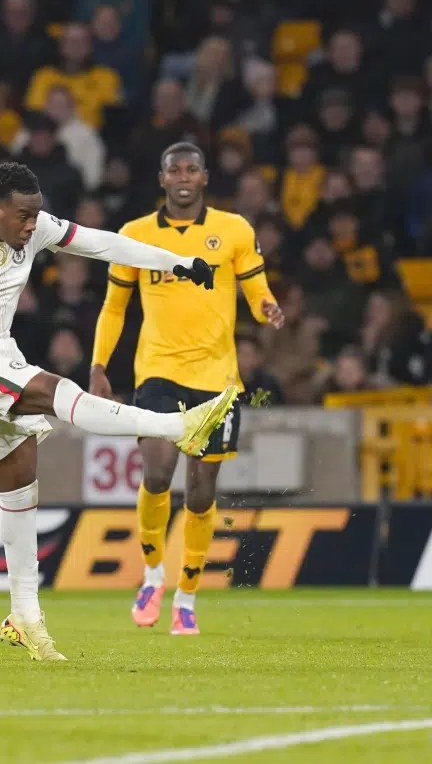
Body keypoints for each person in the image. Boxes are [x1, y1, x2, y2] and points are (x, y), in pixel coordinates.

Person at [0, 161, 239, 661]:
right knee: (53, 391)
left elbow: (103, 244)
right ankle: (177, 426)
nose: (32, 226)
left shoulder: (31, 228)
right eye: (22, 216)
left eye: (36, 215)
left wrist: (177, 262)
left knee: (19, 488)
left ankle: (24, 616)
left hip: (1, 351)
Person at [90, 142, 283, 635]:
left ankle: (188, 595)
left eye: (191, 169)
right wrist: (98, 365)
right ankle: (153, 574)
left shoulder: (233, 229)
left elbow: (256, 290)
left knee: (200, 492)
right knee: (156, 474)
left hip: (218, 381)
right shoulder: (134, 235)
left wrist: (268, 309)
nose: (182, 176)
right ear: (161, 178)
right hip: (156, 371)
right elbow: (114, 308)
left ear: (204, 177)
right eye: (173, 168)